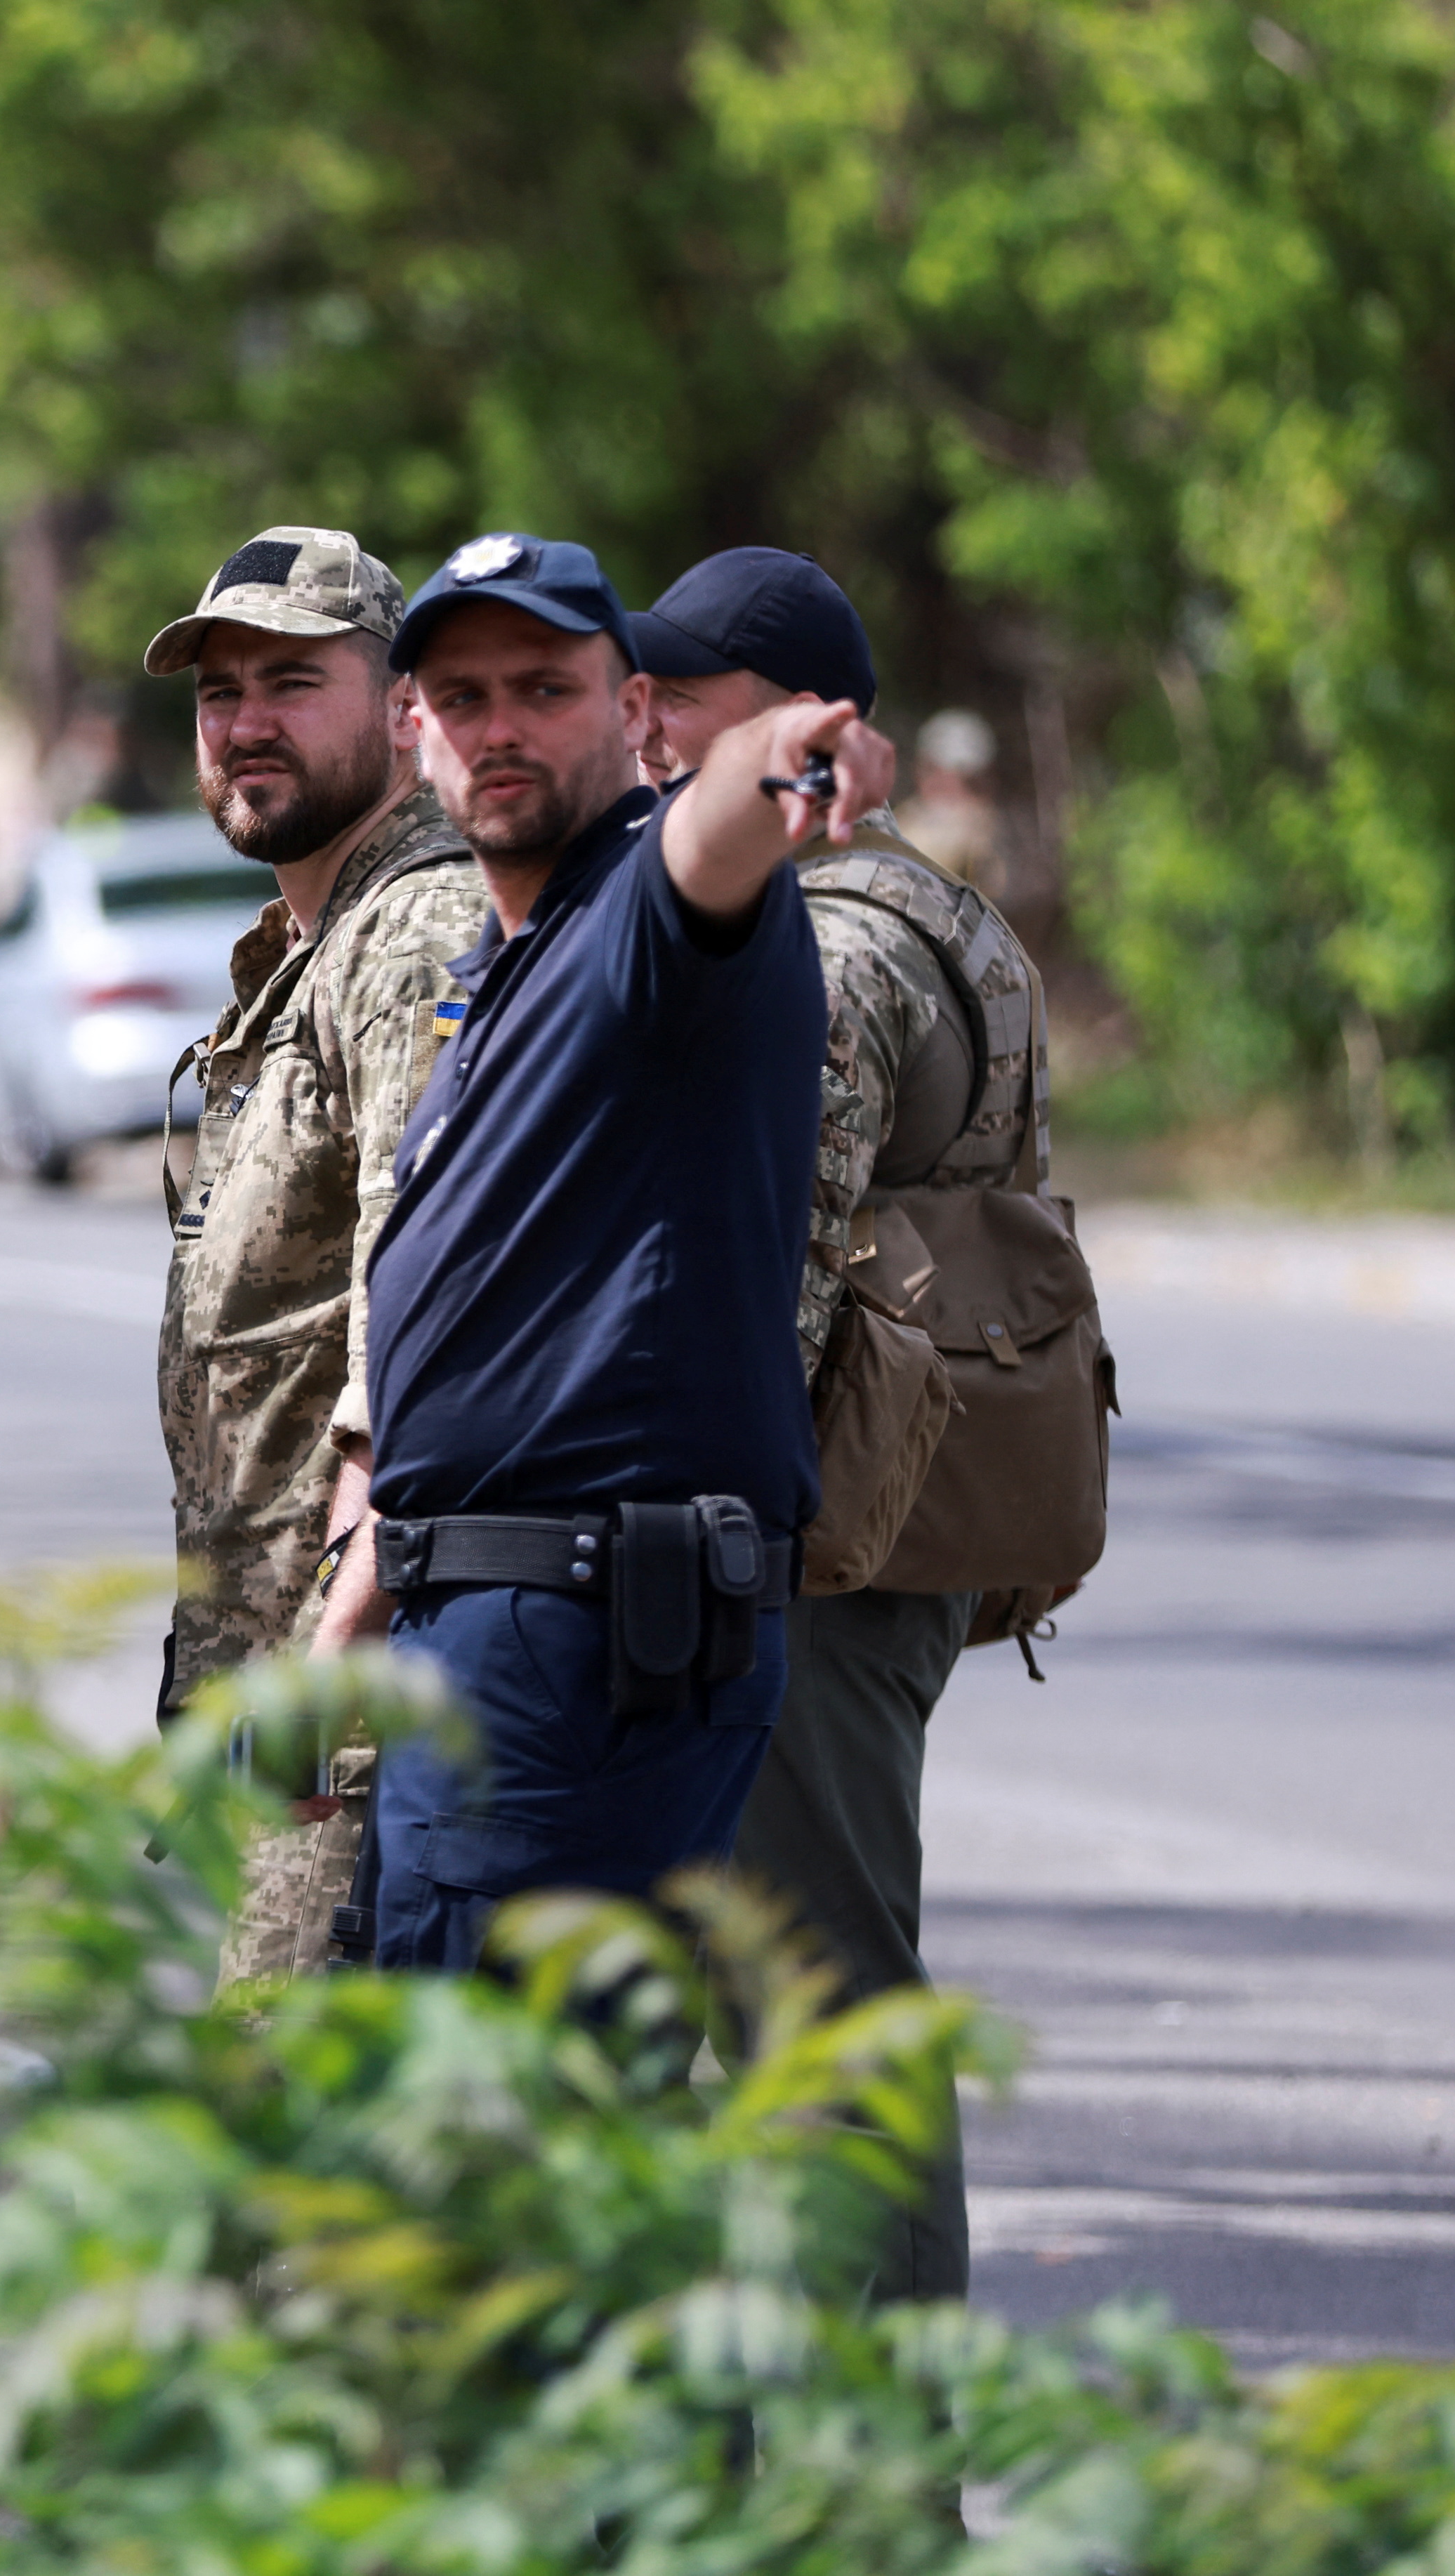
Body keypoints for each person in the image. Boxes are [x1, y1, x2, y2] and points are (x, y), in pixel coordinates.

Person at [332, 532, 892, 1974]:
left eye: (544, 687)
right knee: (518, 2127)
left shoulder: (646, 913)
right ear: (417, 731)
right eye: (461, 698)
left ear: (633, 711)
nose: (497, 727)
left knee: (479, 2128)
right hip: (483, 1621)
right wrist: (358, 1606)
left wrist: (784, 750)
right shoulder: (515, 955)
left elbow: (724, 819)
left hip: (572, 1636)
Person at [631, 547, 1048, 2301]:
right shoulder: (910, 907)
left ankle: (873, 2494)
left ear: (816, 723)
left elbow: (766, 1265)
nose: (652, 728)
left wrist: (670, 1531)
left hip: (801, 1546)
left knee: (816, 2021)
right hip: (855, 1533)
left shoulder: (844, 945)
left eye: (690, 699)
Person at [140, 527, 486, 1980]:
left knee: (289, 2087)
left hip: (348, 1641)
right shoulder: (307, 945)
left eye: (293, 681)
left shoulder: (412, 933)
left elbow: (419, 1271)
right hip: (273, 1632)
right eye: (220, 694)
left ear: (402, 710)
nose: (244, 724)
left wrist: (352, 1596)